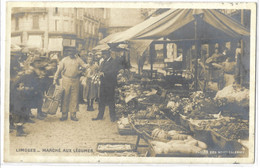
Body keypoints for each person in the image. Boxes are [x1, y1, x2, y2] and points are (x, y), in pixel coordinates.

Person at [53, 49, 87, 121]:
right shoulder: (64, 60)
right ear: (68, 53)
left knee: (74, 97)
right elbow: (59, 70)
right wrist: (55, 78)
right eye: (70, 52)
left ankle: (73, 115)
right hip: (66, 79)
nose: (72, 54)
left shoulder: (78, 59)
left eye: (73, 52)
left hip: (75, 80)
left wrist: (82, 70)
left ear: (75, 53)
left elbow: (85, 66)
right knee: (65, 97)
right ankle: (64, 115)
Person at [92, 49, 121, 122]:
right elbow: (101, 70)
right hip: (103, 83)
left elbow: (114, 72)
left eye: (104, 54)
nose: (103, 56)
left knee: (111, 100)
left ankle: (112, 117)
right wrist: (98, 73)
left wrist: (104, 73)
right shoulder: (103, 62)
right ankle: (100, 116)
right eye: (103, 54)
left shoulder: (113, 61)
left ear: (108, 54)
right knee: (101, 100)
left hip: (110, 84)